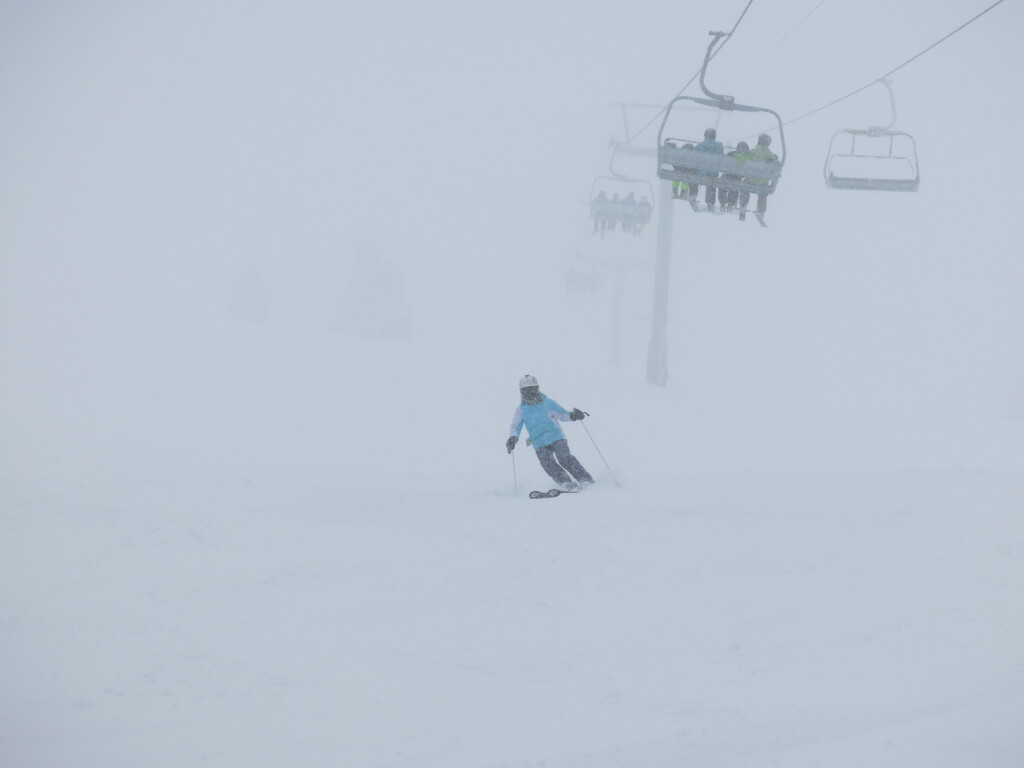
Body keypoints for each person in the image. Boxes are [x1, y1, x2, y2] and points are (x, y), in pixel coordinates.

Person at [506, 374, 594, 491]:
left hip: (556, 437)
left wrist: (573, 415)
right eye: (526, 390)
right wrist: (513, 438)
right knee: (547, 463)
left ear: (537, 388)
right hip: (539, 442)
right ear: (521, 391)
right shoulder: (521, 409)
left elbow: (563, 414)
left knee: (564, 457)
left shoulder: (548, 403)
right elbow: (516, 426)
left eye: (532, 388)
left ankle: (585, 479)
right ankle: (566, 483)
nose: (530, 392)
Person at [691, 128, 724, 207]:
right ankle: (710, 201)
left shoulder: (700, 146)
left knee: (693, 177)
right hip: (712, 174)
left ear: (705, 135)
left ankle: (693, 195)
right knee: (712, 183)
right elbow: (722, 159)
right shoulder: (719, 146)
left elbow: (693, 156)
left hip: (700, 172)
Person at [747, 133, 779, 214]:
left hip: (751, 180)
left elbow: (743, 163)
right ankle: (761, 210)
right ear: (768, 143)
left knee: (744, 187)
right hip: (763, 182)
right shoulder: (770, 155)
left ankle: (743, 205)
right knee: (763, 193)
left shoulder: (753, 152)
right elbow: (777, 165)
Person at [720, 141, 751, 212]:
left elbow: (724, 164)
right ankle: (730, 203)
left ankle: (723, 202)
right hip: (737, 177)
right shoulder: (748, 158)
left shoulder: (731, 154)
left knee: (723, 183)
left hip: (728, 175)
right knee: (734, 187)